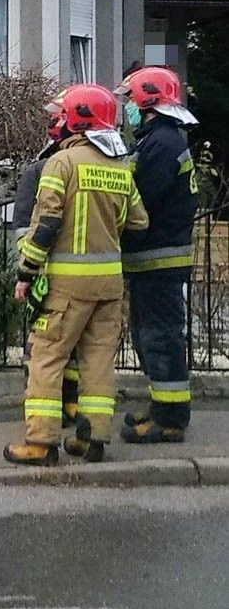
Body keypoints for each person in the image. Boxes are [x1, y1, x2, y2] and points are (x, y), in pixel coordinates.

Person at [4, 84, 149, 466]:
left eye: (60, 115)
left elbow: (47, 223)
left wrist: (26, 272)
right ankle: (93, 440)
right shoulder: (119, 167)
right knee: (98, 362)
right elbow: (139, 221)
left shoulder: (61, 164)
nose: (56, 121)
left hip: (67, 287)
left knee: (47, 358)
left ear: (77, 119)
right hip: (110, 286)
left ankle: (40, 443)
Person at [114, 67, 199, 443]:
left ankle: (169, 419)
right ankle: (161, 407)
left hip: (158, 259)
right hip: (153, 260)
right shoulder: (157, 140)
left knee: (160, 337)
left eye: (131, 100)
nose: (127, 107)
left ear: (147, 101)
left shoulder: (161, 144)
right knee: (149, 336)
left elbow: (138, 201)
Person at [14, 91, 81, 427]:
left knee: (54, 349)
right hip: (48, 276)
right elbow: (24, 228)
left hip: (58, 277)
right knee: (47, 348)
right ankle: (57, 406)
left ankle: (61, 407)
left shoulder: (66, 167)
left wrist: (26, 272)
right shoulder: (40, 171)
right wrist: (28, 271)